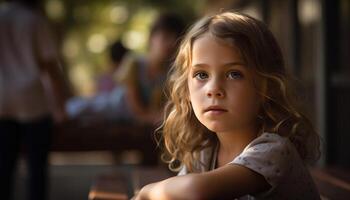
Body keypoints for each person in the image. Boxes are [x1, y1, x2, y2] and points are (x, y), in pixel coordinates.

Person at [133, 11, 321, 199]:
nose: (214, 89)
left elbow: (195, 191)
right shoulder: (205, 153)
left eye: (234, 74)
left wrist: (145, 192)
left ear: (268, 87)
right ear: (186, 90)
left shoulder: (273, 150)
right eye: (201, 75)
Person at [0, 0, 68, 200]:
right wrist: (60, 105)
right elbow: (49, 65)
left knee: (3, 167)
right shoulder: (34, 20)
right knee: (36, 168)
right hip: (32, 100)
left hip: (2, 99)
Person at [67, 13, 185, 124]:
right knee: (74, 109)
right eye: (165, 37)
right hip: (110, 111)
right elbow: (136, 109)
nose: (170, 43)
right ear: (151, 38)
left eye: (176, 39)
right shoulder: (134, 63)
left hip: (133, 121)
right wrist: (158, 119)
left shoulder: (172, 74)